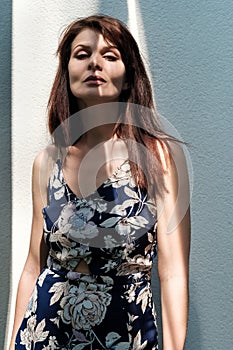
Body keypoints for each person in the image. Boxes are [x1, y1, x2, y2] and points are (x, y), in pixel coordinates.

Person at [9, 15, 191, 350]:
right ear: (67, 73)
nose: (95, 62)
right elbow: (33, 266)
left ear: (127, 78)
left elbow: (173, 272)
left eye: (110, 55)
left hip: (125, 335)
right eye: (82, 54)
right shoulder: (47, 162)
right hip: (45, 335)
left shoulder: (156, 157)